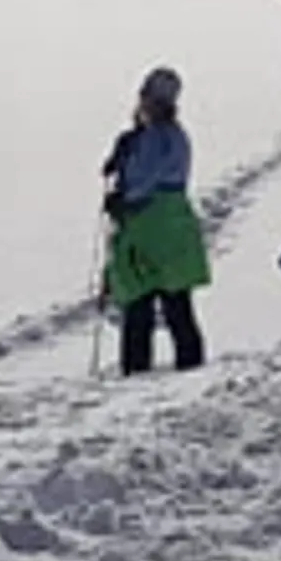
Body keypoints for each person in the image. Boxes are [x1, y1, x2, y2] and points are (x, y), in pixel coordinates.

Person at [101, 66, 210, 373]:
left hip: (148, 226)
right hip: (173, 226)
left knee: (139, 303)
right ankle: (191, 366)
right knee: (177, 302)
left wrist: (121, 199)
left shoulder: (154, 138)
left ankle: (137, 370)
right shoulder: (174, 136)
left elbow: (143, 179)